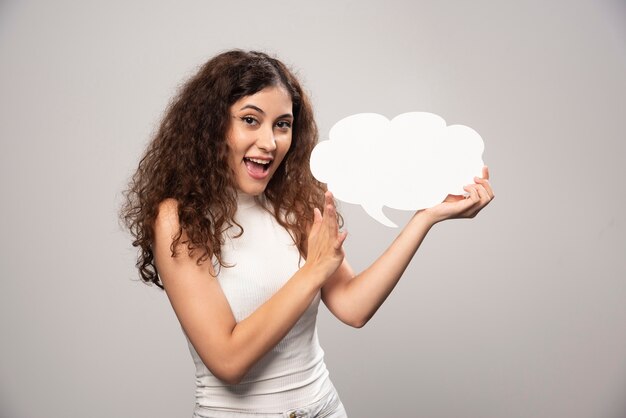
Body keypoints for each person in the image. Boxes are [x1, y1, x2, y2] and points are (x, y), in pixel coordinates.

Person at [120, 49, 494, 418]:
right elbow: (227, 360)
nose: (269, 142)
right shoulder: (179, 217)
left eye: (282, 124)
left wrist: (424, 218)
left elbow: (353, 306)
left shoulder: (294, 202)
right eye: (251, 120)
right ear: (212, 125)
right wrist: (313, 269)